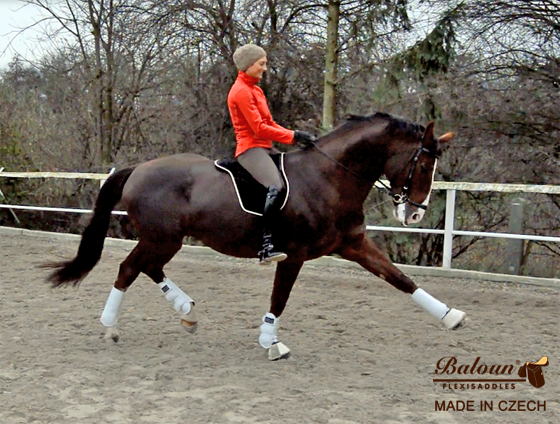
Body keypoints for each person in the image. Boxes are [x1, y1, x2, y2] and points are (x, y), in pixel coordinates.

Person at [227, 43, 316, 265]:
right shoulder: (240, 92)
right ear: (248, 65)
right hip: (250, 149)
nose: (265, 69)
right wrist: (293, 135)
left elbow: (269, 123)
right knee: (277, 187)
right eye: (261, 64)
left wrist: (295, 137)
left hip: (266, 147)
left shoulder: (256, 90)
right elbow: (258, 128)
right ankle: (265, 245)